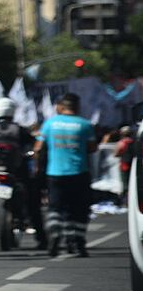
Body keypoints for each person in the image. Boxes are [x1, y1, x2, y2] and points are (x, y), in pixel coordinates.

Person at [35, 93, 96, 257]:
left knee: (55, 208)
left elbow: (38, 147)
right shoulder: (85, 124)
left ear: (61, 107)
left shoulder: (50, 123)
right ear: (76, 107)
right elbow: (92, 148)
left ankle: (54, 235)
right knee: (78, 209)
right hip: (79, 172)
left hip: (55, 173)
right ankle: (78, 243)